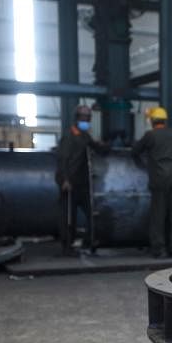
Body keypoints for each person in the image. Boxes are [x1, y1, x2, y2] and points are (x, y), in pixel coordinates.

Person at [132, 107, 172, 257]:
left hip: (159, 180)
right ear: (164, 120)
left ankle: (160, 248)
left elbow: (135, 150)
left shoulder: (150, 136)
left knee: (158, 216)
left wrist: (141, 162)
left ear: (151, 121)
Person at [54, 103, 107, 254]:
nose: (87, 120)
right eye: (84, 117)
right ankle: (67, 246)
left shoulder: (84, 135)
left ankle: (90, 240)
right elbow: (62, 159)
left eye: (89, 118)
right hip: (69, 182)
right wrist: (64, 179)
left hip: (82, 183)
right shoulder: (69, 136)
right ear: (77, 118)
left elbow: (95, 147)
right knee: (68, 216)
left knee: (92, 212)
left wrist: (104, 145)